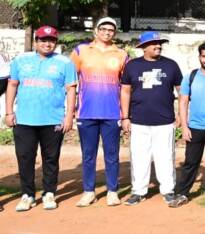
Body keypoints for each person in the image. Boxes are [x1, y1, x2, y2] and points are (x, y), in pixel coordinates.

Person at [7, 26, 76, 211]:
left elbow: (71, 90)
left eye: (51, 40)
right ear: (35, 42)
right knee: (25, 157)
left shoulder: (65, 62)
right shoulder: (21, 60)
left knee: (51, 158)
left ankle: (49, 193)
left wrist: (69, 116)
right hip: (24, 119)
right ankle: (27, 195)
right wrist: (9, 112)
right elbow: (12, 85)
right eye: (43, 40)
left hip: (53, 119)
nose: (47, 44)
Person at [70, 17, 128, 208]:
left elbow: (126, 86)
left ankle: (112, 191)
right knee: (88, 155)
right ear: (96, 30)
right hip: (86, 112)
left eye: (111, 30)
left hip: (112, 112)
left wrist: (125, 114)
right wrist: (70, 110)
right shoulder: (81, 50)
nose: (107, 32)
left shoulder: (121, 54)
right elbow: (70, 81)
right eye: (103, 29)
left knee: (112, 154)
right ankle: (89, 192)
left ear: (115, 33)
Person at [120, 31, 183, 207]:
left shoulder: (171, 65)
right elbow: (125, 91)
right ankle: (138, 192)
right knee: (139, 157)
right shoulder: (132, 66)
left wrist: (181, 114)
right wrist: (125, 117)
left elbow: (181, 92)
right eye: (154, 43)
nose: (158, 46)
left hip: (165, 121)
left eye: (160, 43)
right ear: (143, 47)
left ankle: (168, 191)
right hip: (138, 120)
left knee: (165, 157)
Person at [172, 42, 205, 207]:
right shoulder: (191, 76)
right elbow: (183, 102)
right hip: (195, 128)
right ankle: (182, 193)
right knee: (190, 163)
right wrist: (184, 127)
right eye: (204, 56)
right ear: (199, 57)